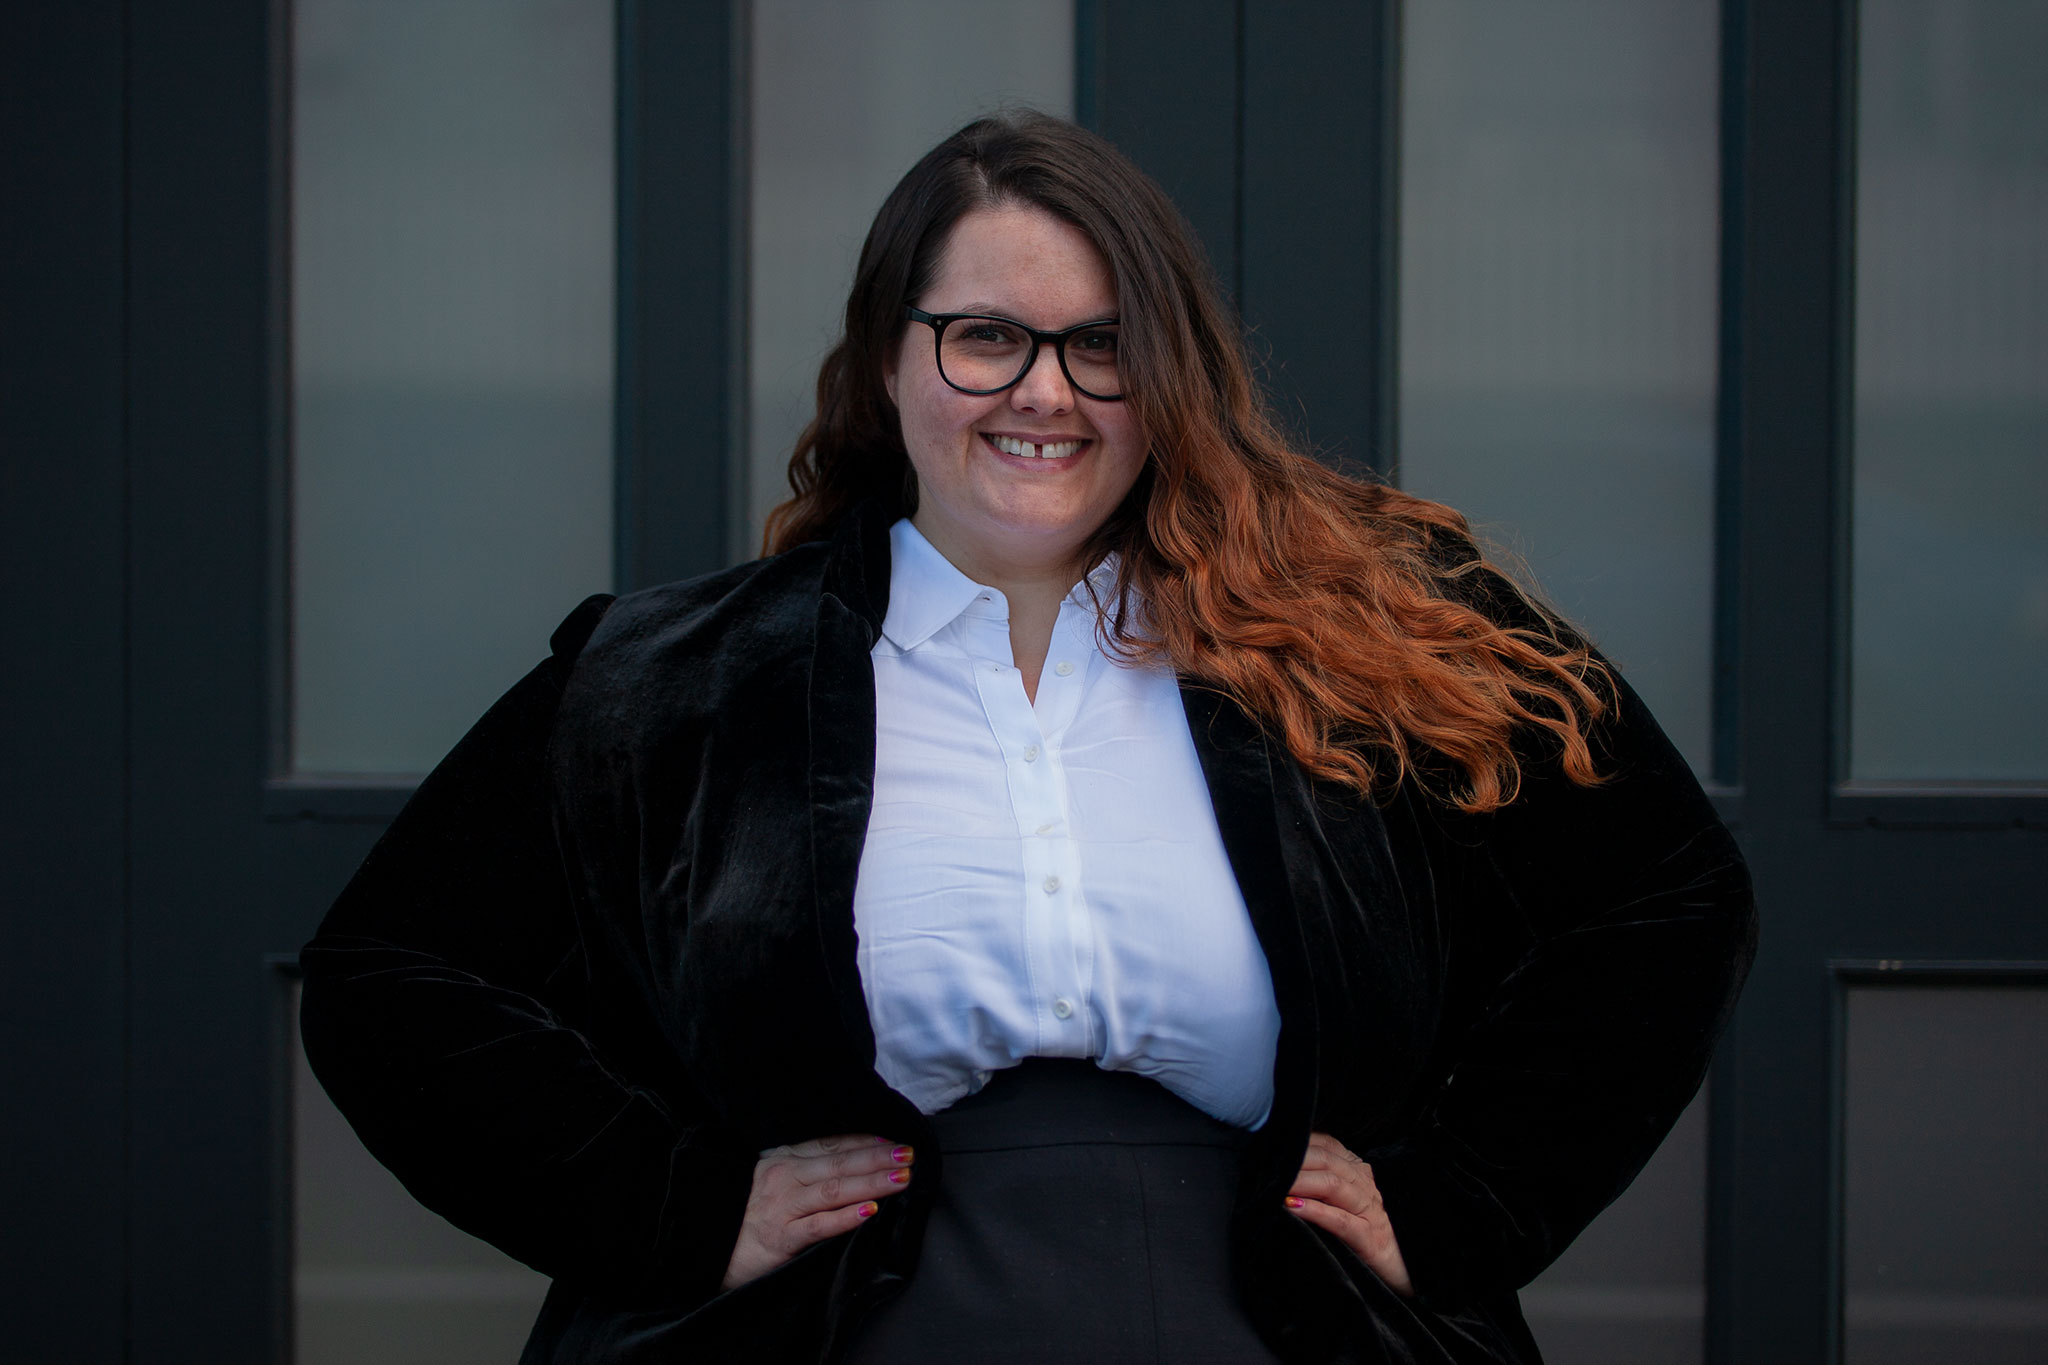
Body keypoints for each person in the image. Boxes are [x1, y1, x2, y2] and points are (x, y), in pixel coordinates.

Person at [299, 112, 1756, 1364]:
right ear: (887, 356)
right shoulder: (674, 680)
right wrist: (673, 1206)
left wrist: (1461, 1201)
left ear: (1164, 371)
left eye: (1101, 345)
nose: (1045, 391)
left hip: (1278, 1320)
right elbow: (392, 979)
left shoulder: (1363, 631)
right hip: (847, 1329)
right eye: (987, 336)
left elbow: (1663, 903)